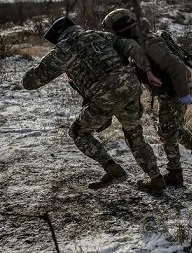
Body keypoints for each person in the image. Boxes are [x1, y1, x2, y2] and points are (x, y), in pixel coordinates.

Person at [22, 17, 166, 193]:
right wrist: (148, 71)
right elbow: (131, 46)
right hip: (130, 88)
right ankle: (156, 178)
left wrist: (45, 62)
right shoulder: (99, 35)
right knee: (134, 135)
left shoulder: (62, 50)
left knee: (78, 132)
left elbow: (29, 82)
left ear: (57, 38)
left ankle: (113, 169)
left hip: (104, 97)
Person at [102, 8, 192, 187]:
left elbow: (178, 68)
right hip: (170, 89)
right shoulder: (138, 41)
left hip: (177, 88)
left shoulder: (148, 43)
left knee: (167, 130)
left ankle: (176, 173)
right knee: (171, 129)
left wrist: (183, 95)